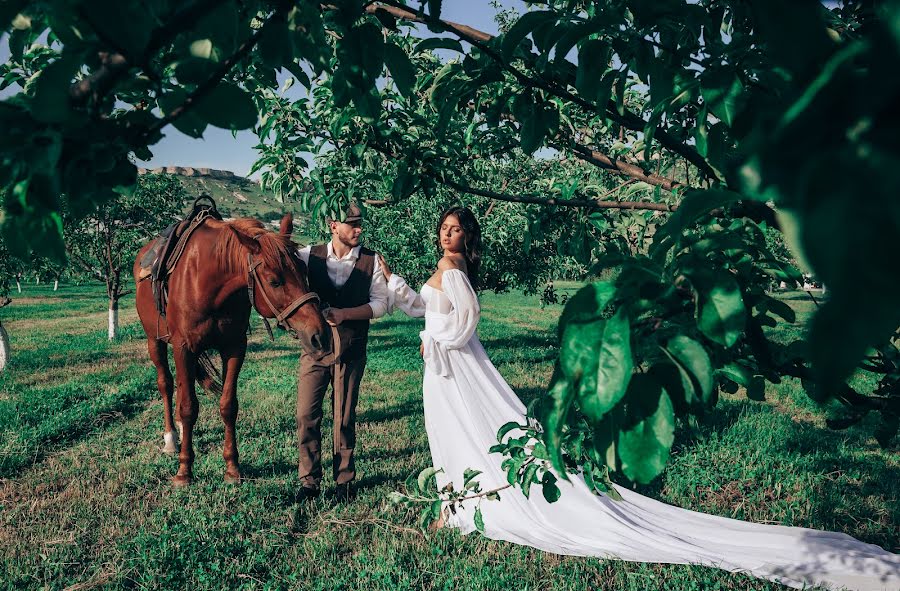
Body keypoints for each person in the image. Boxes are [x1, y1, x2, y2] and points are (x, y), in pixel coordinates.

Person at [381, 205, 900, 591]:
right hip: (441, 367)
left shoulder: (456, 272)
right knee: (447, 429)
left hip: (455, 364)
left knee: (467, 425)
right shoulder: (442, 272)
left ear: (467, 236)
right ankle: (458, 501)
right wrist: (393, 284)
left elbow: (467, 323)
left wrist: (437, 340)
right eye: (446, 229)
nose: (451, 235)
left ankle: (469, 502)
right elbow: (421, 309)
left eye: (458, 230)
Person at [295, 203, 389, 502]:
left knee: (344, 417)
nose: (359, 229)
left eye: (361, 223)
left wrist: (346, 314)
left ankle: (344, 482)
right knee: (306, 414)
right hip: (315, 351)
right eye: (352, 224)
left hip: (351, 349)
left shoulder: (372, 261)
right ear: (333, 225)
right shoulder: (308, 255)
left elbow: (381, 305)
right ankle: (309, 482)